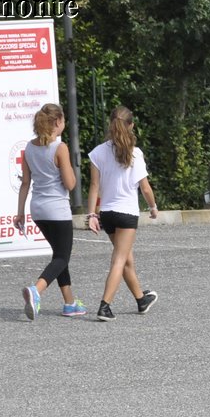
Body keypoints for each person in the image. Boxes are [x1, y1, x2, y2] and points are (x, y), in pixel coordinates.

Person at [85, 106, 159, 321]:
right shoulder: (135, 152)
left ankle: (141, 299)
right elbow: (145, 188)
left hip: (107, 213)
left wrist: (91, 215)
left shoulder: (98, 152)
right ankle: (105, 306)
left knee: (127, 260)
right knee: (119, 260)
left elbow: (94, 186)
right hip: (126, 214)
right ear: (131, 125)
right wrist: (153, 207)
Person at [15, 103, 84, 319]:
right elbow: (70, 184)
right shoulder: (59, 148)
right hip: (57, 210)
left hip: (38, 210)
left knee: (59, 255)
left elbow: (25, 183)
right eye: (63, 120)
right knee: (63, 257)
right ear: (57, 122)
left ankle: (70, 303)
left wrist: (20, 213)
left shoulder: (29, 148)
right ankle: (37, 290)